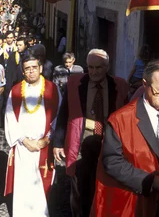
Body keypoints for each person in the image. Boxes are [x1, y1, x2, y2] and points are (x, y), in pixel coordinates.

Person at [92, 59, 159, 217]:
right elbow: (111, 162)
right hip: (134, 203)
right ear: (145, 84)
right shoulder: (121, 119)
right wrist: (151, 181)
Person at [52, 49, 129, 217]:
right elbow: (64, 112)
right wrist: (58, 142)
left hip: (108, 142)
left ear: (107, 67)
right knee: (79, 185)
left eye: (98, 68)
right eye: (90, 67)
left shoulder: (119, 85)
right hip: (81, 139)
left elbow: (126, 115)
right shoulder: (74, 84)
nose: (94, 72)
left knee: (104, 183)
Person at [4, 55, 61, 217]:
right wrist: (24, 140)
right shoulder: (16, 91)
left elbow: (59, 115)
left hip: (44, 144)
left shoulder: (52, 89)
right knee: (23, 183)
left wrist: (47, 139)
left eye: (34, 67)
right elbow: (9, 117)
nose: (31, 71)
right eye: (27, 68)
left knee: (41, 184)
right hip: (23, 145)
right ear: (23, 71)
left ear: (41, 68)